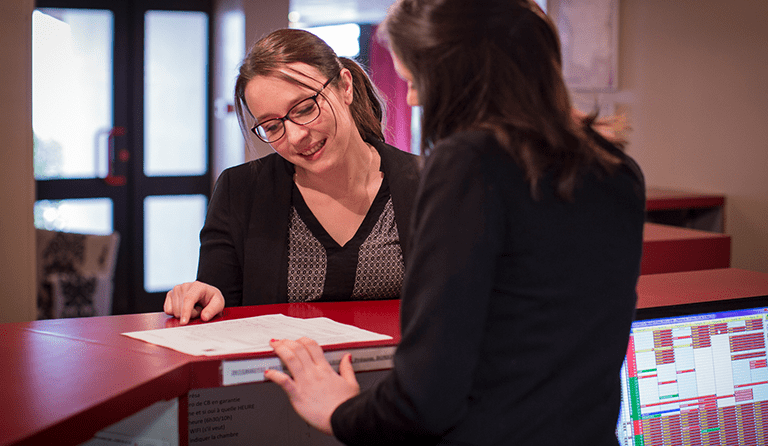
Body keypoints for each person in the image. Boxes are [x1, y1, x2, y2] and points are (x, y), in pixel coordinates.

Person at [265, 1, 646, 445]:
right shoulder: (616, 168)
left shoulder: (469, 164)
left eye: (415, 80)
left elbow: (426, 397)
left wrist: (339, 410)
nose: (411, 98)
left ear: (457, 73)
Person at [164, 29, 420, 325]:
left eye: (306, 108)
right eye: (272, 127)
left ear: (345, 87)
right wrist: (200, 296)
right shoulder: (241, 191)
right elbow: (217, 304)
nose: (296, 136)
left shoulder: (425, 184)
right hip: (280, 369)